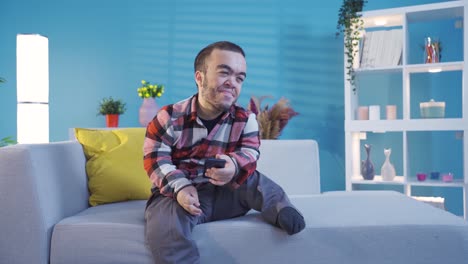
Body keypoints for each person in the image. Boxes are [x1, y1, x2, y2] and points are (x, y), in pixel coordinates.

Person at [143, 41, 305, 263]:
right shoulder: (168, 117)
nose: (233, 83)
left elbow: (251, 152)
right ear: (199, 77)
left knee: (254, 180)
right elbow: (155, 159)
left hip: (225, 194)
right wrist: (180, 187)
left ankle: (280, 208)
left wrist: (233, 165)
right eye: (224, 73)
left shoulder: (246, 119)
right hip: (179, 196)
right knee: (165, 225)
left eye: (239, 78)